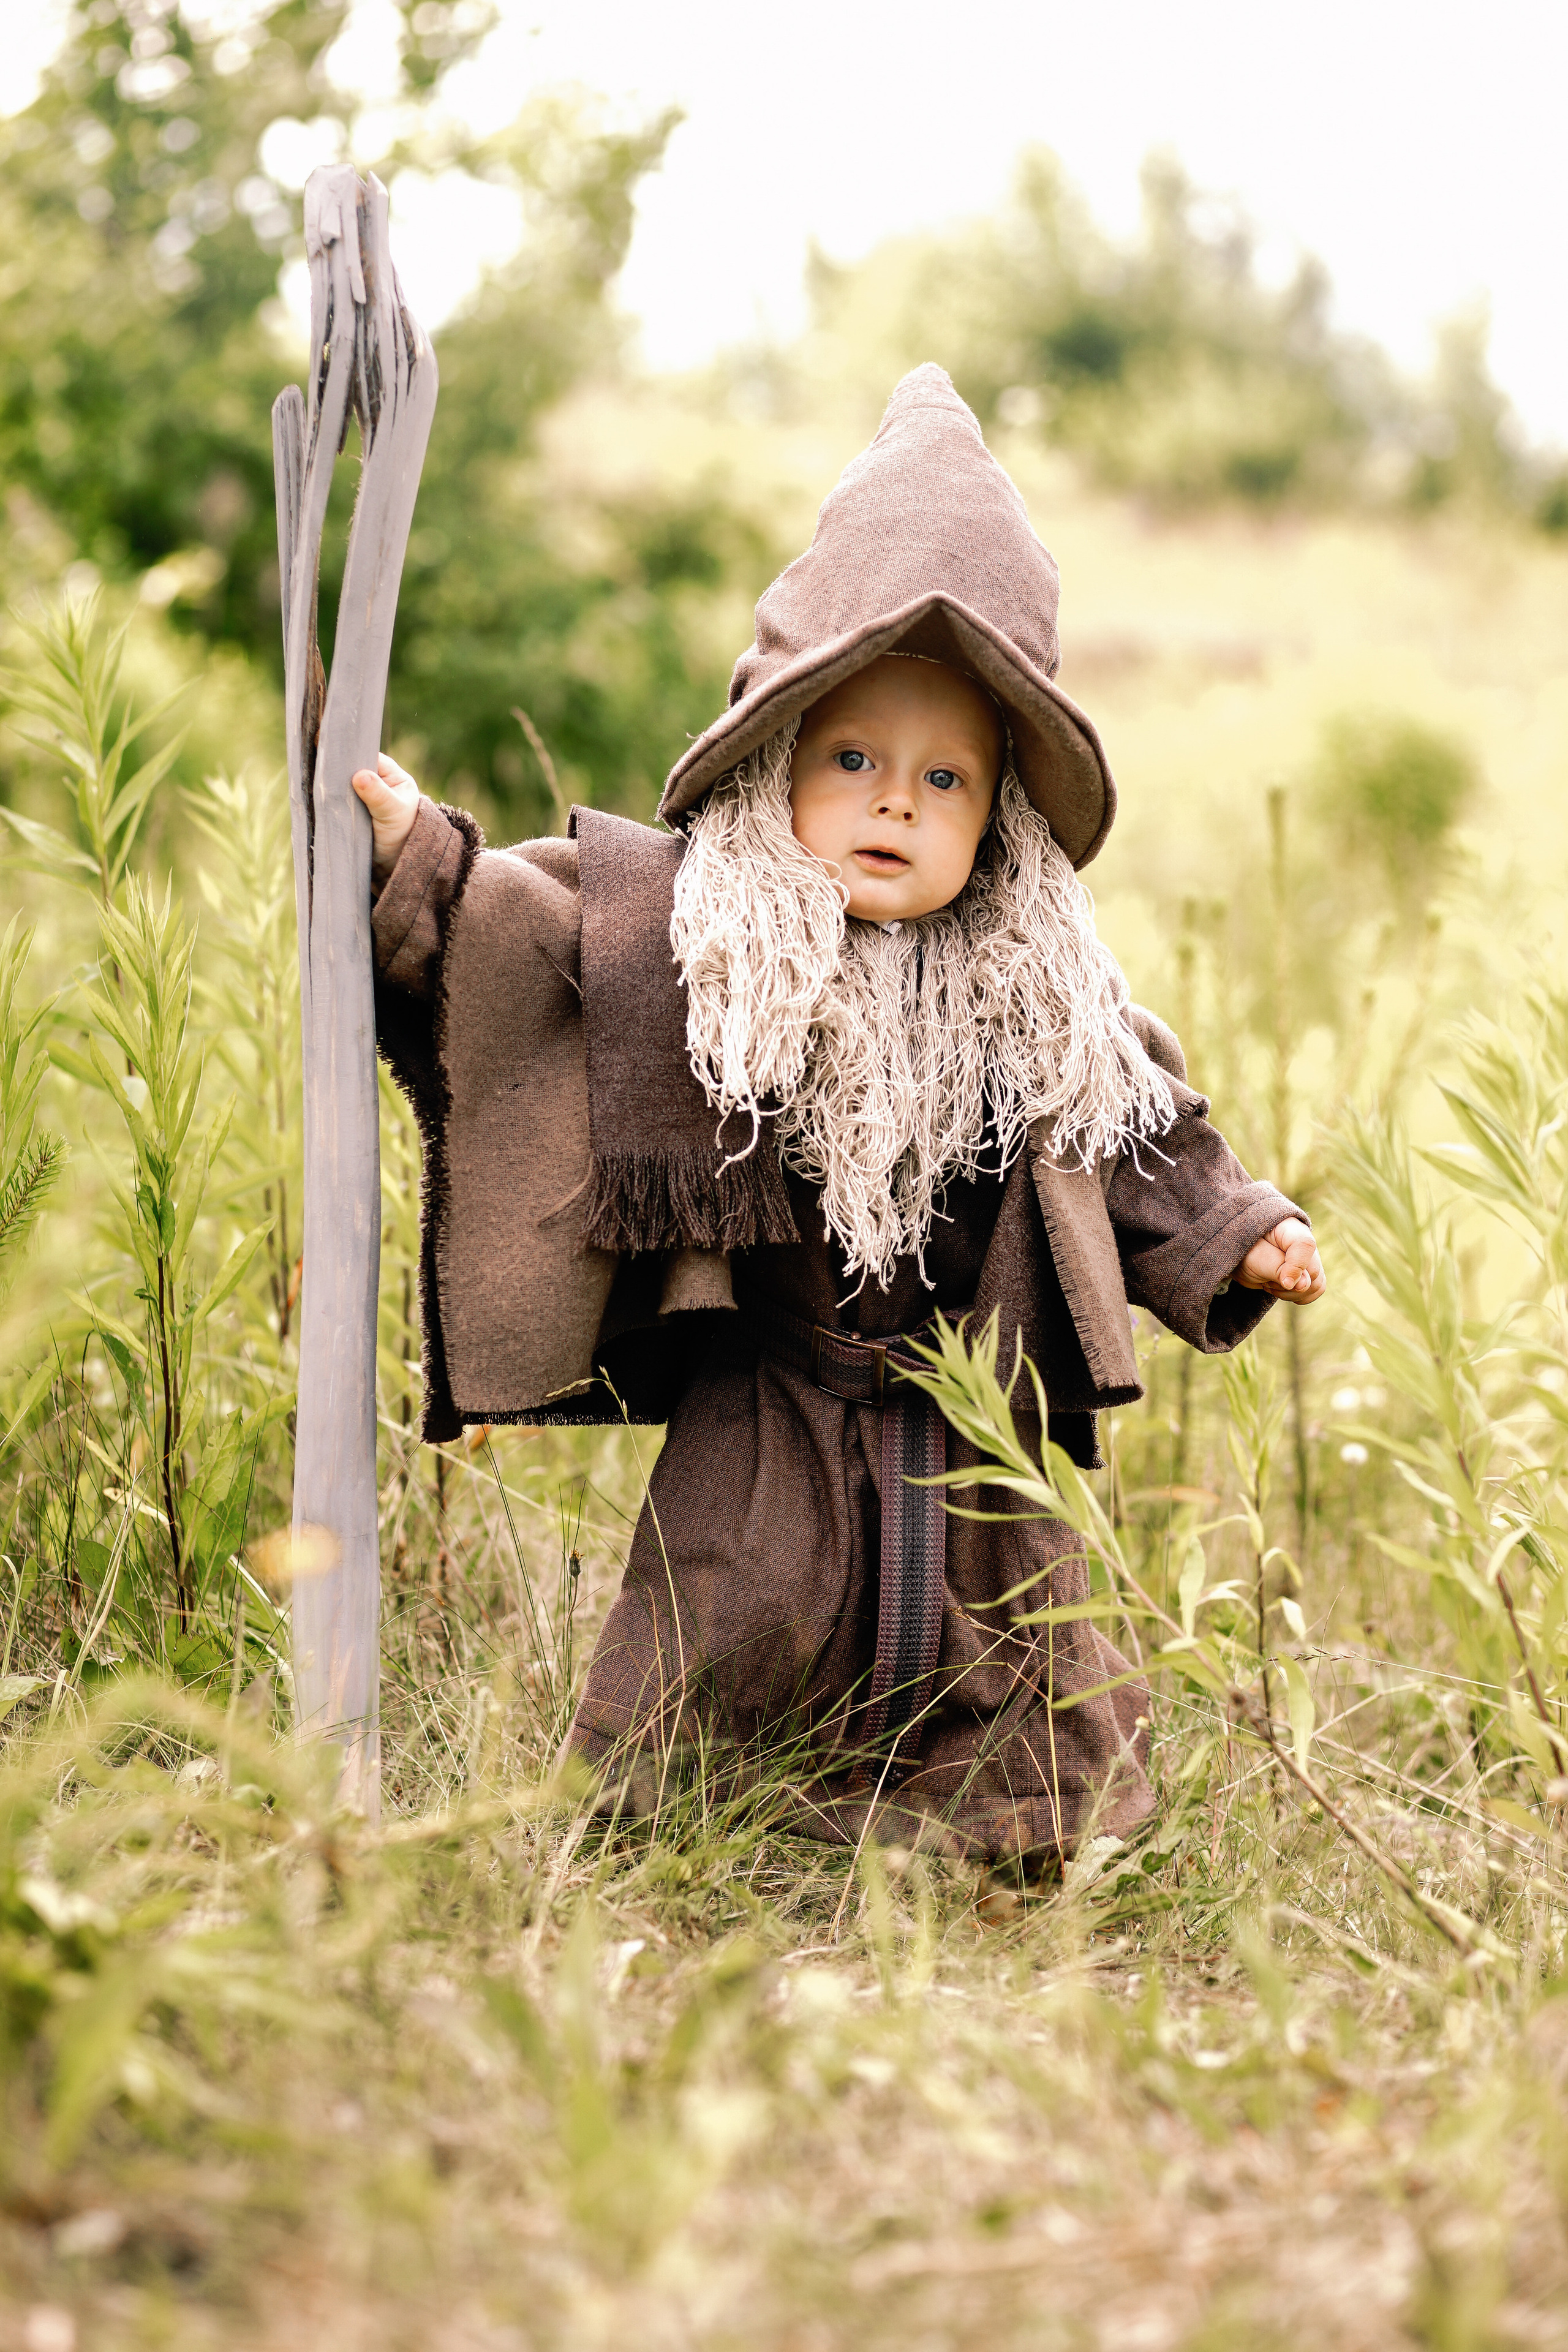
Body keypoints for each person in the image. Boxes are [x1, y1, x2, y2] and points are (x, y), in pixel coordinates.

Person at [355, 364, 1325, 1863]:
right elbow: (527, 943)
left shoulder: (1035, 993)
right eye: (855, 760)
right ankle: (689, 1828)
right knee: (733, 1607)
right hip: (776, 1391)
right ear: (779, 761)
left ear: (997, 818)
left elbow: (1139, 1126)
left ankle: (1002, 1844)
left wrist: (1241, 1233)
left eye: (943, 780)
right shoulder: (693, 934)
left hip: (965, 1404)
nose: (893, 803)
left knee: (1009, 1644)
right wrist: (418, 859)